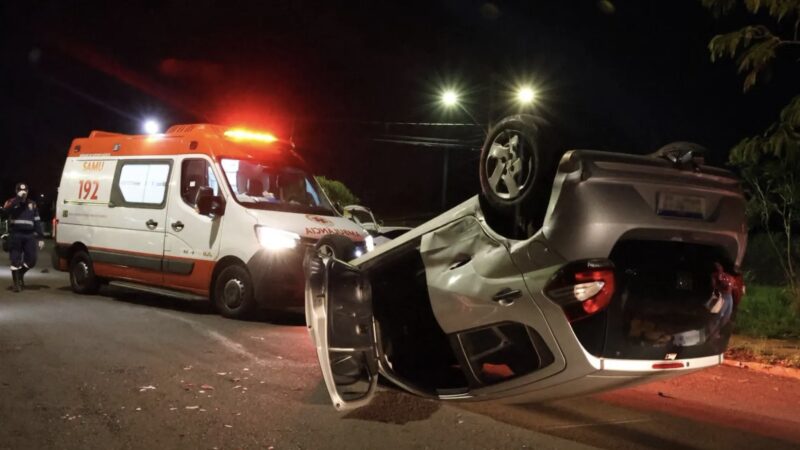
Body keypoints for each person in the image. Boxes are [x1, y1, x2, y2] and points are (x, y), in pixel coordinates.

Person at [1, 183, 45, 292]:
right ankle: (16, 284)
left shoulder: (32, 204)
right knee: (15, 259)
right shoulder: (11, 202)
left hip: (29, 235)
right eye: (20, 190)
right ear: (16, 191)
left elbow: (37, 221)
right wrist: (17, 199)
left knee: (32, 260)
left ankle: (19, 274)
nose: (23, 192)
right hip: (15, 234)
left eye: (25, 190)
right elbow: (5, 212)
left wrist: (40, 237)